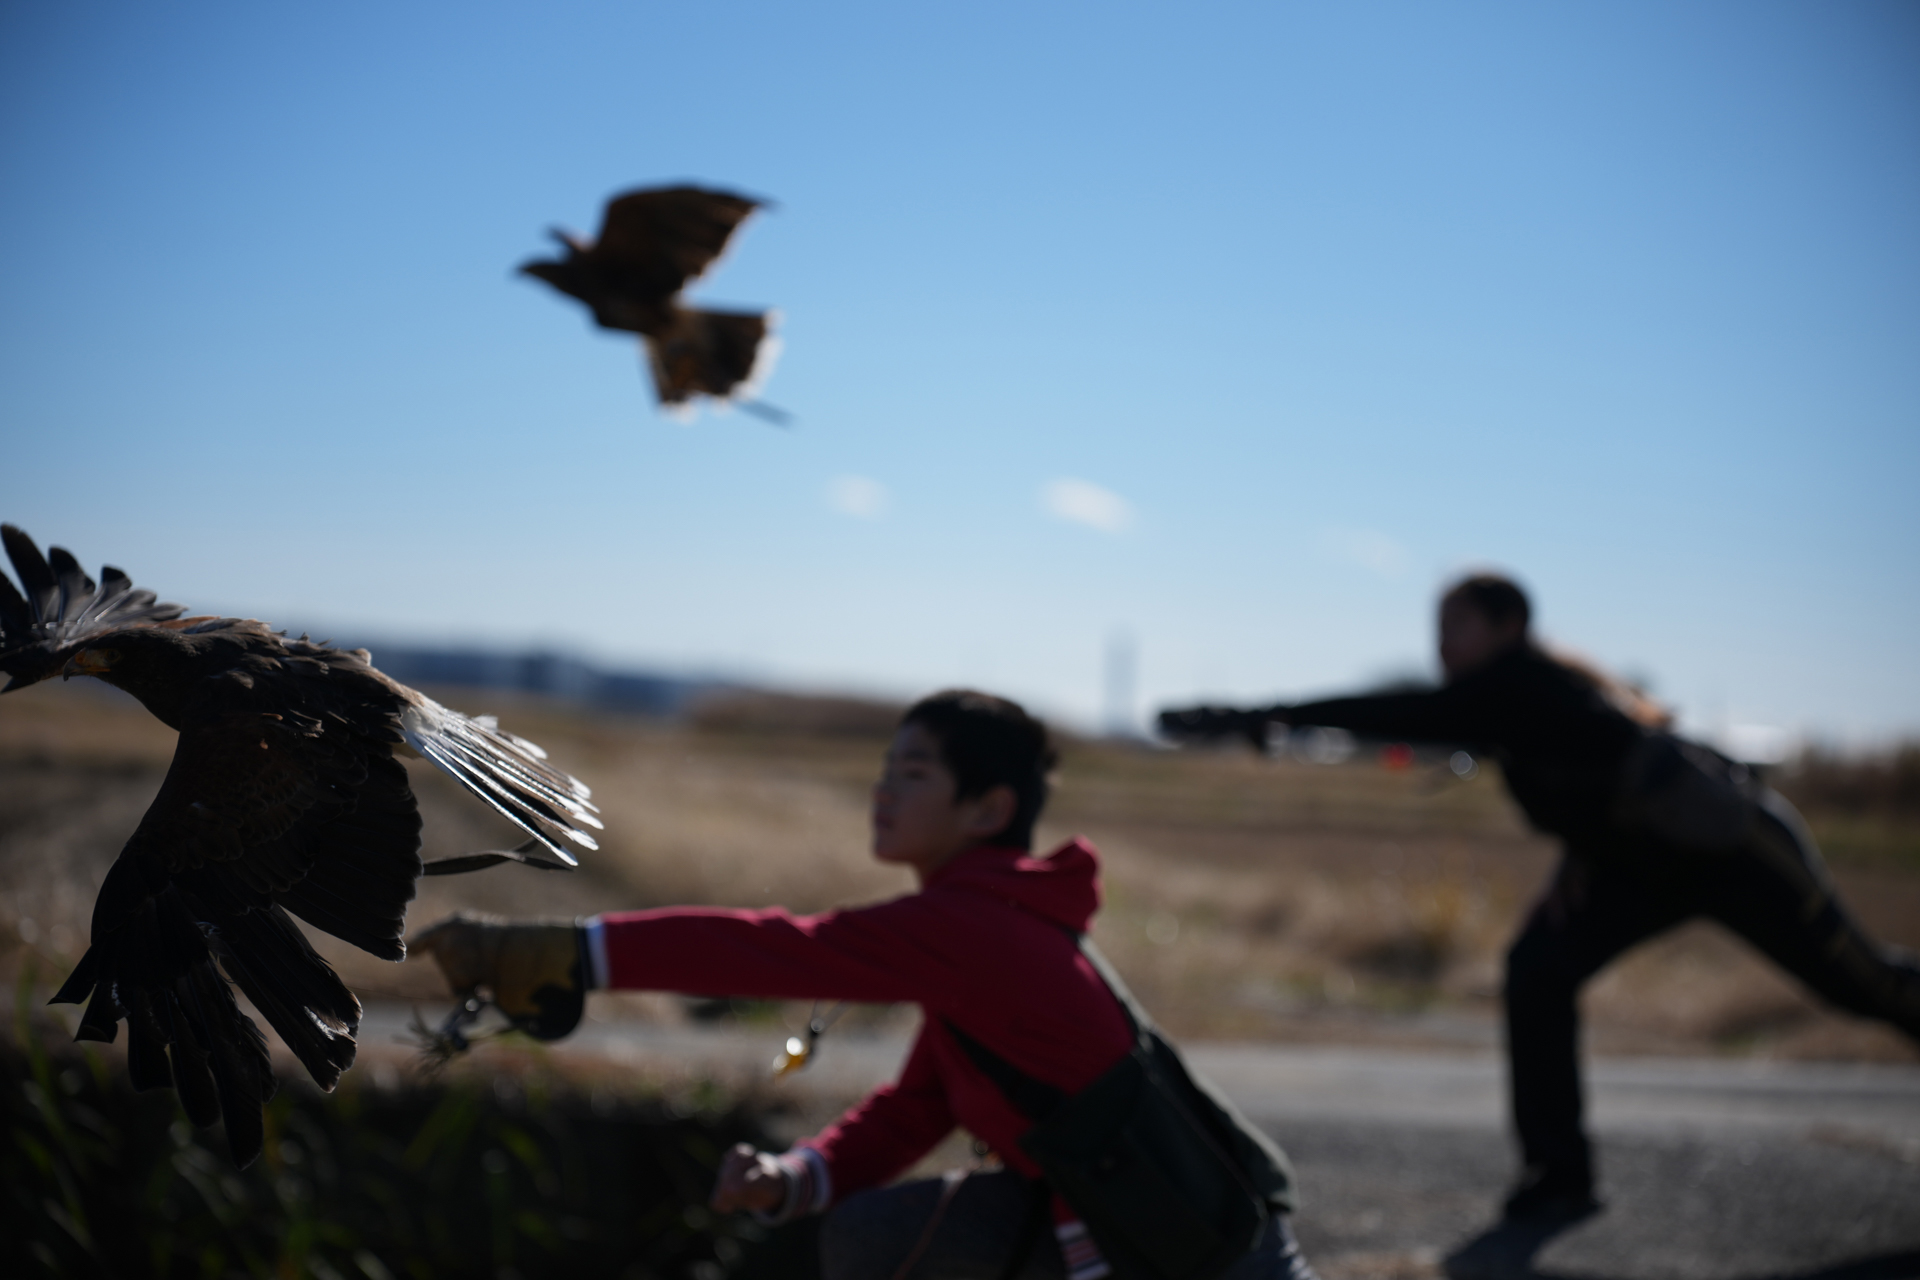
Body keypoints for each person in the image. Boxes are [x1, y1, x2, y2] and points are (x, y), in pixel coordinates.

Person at [415, 689, 1319, 1280]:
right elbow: (917, 1109)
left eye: (914, 773)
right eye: (885, 768)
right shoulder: (983, 928)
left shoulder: (975, 930)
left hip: (1200, 1258)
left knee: (878, 1240)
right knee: (871, 1232)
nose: (884, 790)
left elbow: (781, 952)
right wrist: (792, 1176)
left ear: (989, 809)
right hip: (1122, 1231)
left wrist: (571, 955)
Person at [1158, 574, 1920, 1224]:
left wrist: (1261, 713)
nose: (1443, 642)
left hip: (1739, 856)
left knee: (1864, 986)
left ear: (1509, 626)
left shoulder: (1519, 685)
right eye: (1438, 627)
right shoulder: (1509, 701)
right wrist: (1572, 875)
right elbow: (1589, 794)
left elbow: (1400, 714)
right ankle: (1558, 1176)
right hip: (1637, 871)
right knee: (1538, 970)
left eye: (1458, 625)